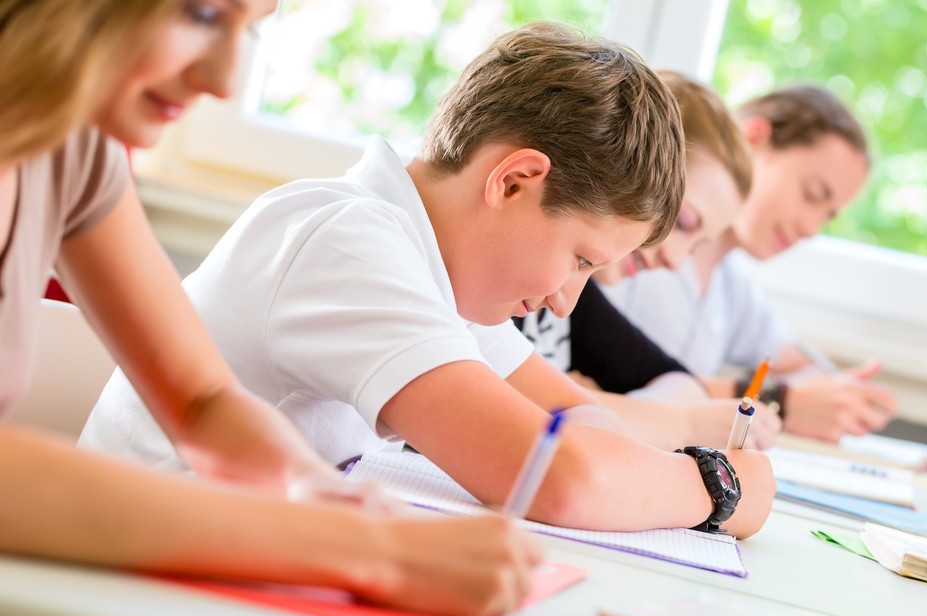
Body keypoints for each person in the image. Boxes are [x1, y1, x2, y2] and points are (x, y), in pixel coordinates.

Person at [83, 22, 776, 537]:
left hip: (234, 555)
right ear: (514, 181)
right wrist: (720, 486)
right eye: (579, 260)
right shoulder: (352, 243)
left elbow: (573, 418)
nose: (568, 300)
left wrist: (618, 456)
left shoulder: (446, 271)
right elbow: (554, 477)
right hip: (140, 581)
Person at [0, 0, 539, 616]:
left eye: (252, 27)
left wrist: (308, 488)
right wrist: (368, 549)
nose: (225, 82)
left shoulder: (74, 145)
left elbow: (201, 399)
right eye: (200, 14)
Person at [602, 84, 898, 443]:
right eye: (812, 195)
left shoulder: (730, 282)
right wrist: (777, 399)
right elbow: (600, 383)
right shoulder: (637, 249)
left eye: (826, 216)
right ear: (754, 137)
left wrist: (816, 397)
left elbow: (807, 371)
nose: (809, 229)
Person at [515, 71, 781, 452]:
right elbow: (510, 404)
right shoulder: (501, 286)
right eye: (683, 222)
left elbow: (682, 383)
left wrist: (608, 410)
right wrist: (663, 422)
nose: (675, 261)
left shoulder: (578, 296)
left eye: (696, 246)